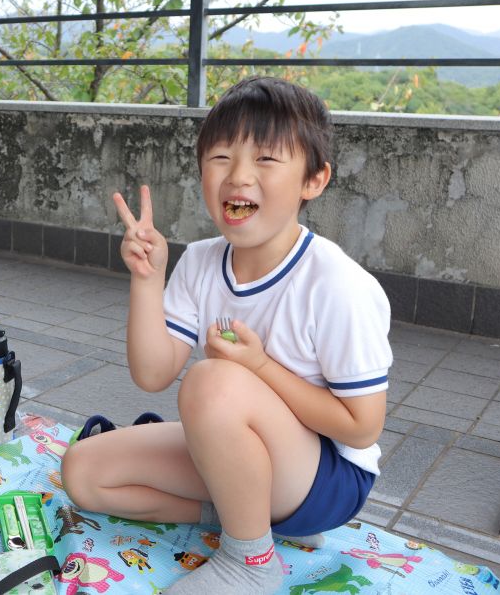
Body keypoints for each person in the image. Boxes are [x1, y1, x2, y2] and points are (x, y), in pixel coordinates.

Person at [61, 77, 392, 595]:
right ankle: (247, 520)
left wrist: (257, 367)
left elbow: (362, 427)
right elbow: (152, 374)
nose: (238, 176)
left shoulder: (337, 284)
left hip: (326, 482)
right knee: (83, 473)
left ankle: (250, 562)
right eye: (220, 157)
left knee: (212, 381)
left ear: (314, 180)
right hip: (257, 466)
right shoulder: (199, 260)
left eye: (265, 159)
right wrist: (148, 280)